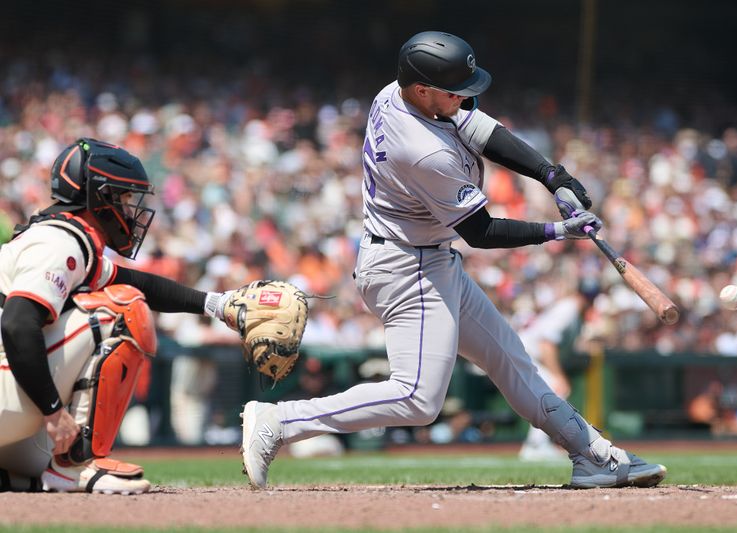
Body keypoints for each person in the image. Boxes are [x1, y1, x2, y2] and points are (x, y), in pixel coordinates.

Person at [241, 31, 667, 489]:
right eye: (454, 90)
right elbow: (479, 232)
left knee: (511, 359)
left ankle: (594, 456)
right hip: (408, 269)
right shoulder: (423, 152)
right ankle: (280, 421)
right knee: (418, 398)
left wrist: (552, 176)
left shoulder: (399, 92)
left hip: (423, 257)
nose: (464, 97)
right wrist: (557, 231)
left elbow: (483, 131)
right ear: (423, 89)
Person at [0, 138, 235, 494]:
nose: (130, 210)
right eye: (124, 198)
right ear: (101, 197)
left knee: (32, 473)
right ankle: (78, 463)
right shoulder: (59, 241)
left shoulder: (68, 238)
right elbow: (17, 323)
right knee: (123, 308)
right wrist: (53, 413)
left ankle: (29, 471)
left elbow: (139, 280)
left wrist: (219, 304)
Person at [517, 278, 597, 461]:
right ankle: (535, 446)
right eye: (586, 296)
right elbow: (547, 344)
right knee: (556, 387)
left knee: (552, 392)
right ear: (579, 294)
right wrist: (558, 375)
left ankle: (537, 444)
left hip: (530, 353)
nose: (588, 300)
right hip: (526, 351)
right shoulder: (568, 310)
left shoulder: (575, 312)